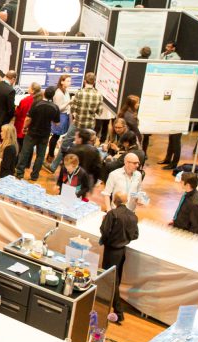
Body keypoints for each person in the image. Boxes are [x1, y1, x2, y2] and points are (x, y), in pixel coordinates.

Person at [98, 193, 138, 323]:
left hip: (111, 250)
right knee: (116, 279)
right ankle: (110, 306)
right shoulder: (133, 216)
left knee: (110, 279)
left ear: (114, 201)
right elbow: (135, 235)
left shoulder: (112, 214)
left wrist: (106, 238)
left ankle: (118, 311)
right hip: (122, 251)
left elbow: (104, 231)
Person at [54, 73, 102, 171]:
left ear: (85, 81)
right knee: (87, 147)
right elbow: (99, 112)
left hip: (78, 123)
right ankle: (82, 170)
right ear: (94, 82)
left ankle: (54, 166)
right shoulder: (98, 95)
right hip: (90, 126)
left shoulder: (79, 93)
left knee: (66, 143)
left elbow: (73, 109)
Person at [16, 87, 59, 180]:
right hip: (45, 134)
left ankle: (19, 173)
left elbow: (28, 118)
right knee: (40, 156)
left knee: (25, 153)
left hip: (32, 132)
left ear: (44, 93)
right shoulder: (55, 107)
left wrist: (24, 127)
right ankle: (34, 176)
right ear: (53, 96)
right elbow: (57, 122)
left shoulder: (36, 104)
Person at [0, 71, 18, 137]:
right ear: (13, 79)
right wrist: (11, 117)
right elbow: (11, 108)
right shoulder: (11, 90)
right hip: (2, 120)